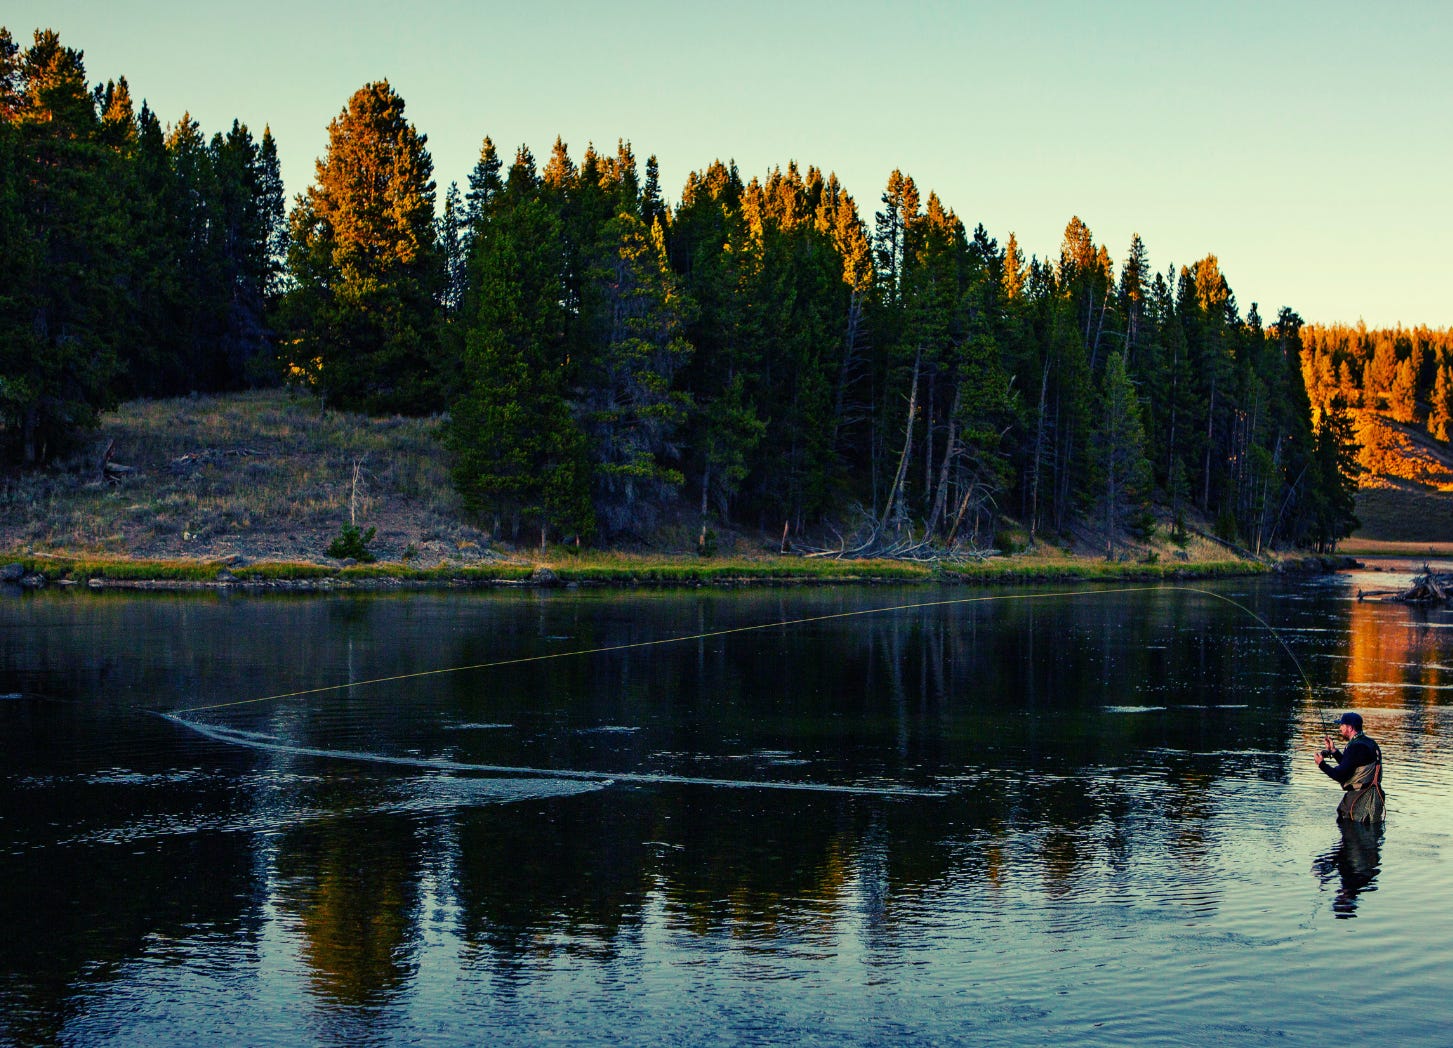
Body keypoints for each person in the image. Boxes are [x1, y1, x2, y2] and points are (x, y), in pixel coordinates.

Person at [1314, 712, 1385, 822]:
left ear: (1350, 728)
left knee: (1348, 830)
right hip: (1374, 798)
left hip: (1359, 800)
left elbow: (1340, 775)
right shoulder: (1370, 743)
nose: (1340, 728)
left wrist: (1321, 764)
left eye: (1342, 725)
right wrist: (1334, 751)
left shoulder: (1355, 747)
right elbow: (1352, 766)